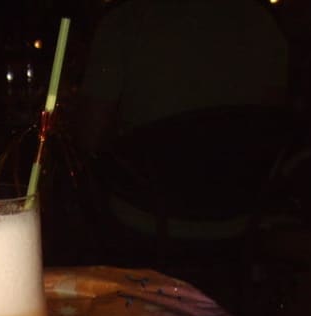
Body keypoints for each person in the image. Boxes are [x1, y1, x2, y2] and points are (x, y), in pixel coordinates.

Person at [71, 0, 292, 290]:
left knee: (73, 196)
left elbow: (89, 136)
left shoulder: (127, 20)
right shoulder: (262, 21)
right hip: (242, 217)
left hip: (146, 221)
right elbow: (272, 122)